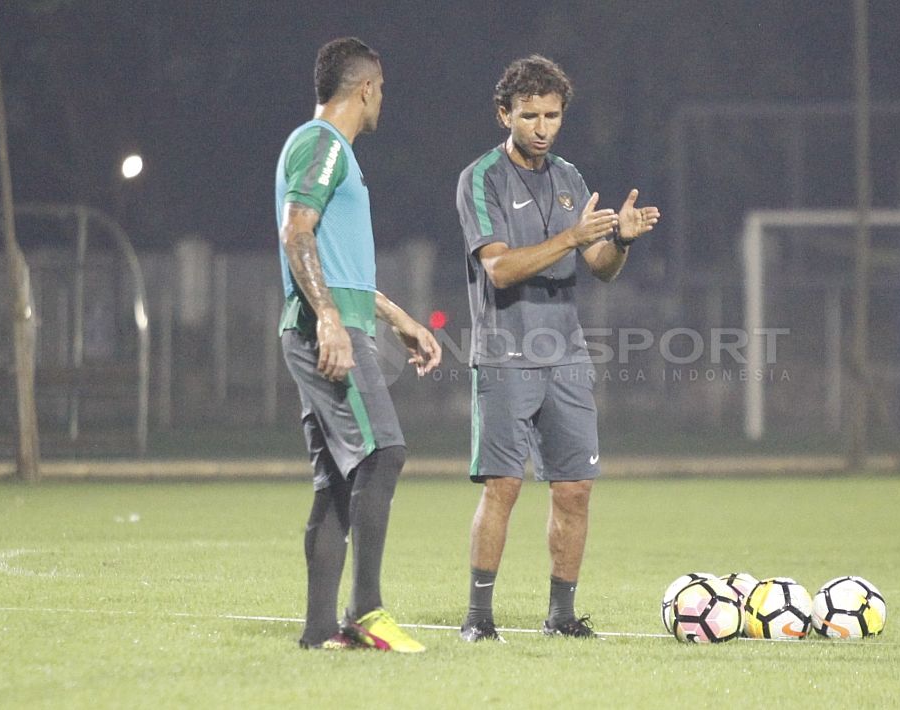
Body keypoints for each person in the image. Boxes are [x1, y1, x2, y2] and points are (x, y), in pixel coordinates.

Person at [455, 55, 660, 642]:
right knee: (504, 487)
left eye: (552, 115)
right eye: (529, 115)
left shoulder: (570, 177)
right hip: (505, 355)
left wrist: (618, 238)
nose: (542, 126)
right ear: (505, 114)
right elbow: (497, 270)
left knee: (574, 489)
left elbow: (600, 269)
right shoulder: (481, 178)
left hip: (566, 358)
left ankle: (562, 617)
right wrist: (571, 237)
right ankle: (478, 619)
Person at [275, 37, 441, 652]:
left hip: (328, 322)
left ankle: (320, 633)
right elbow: (298, 231)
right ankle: (366, 613)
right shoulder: (321, 144)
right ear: (367, 87)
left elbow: (339, 267)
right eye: (382, 90)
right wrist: (329, 320)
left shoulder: (329, 149)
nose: (382, 101)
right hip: (326, 331)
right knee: (384, 453)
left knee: (339, 481)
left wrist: (398, 317)